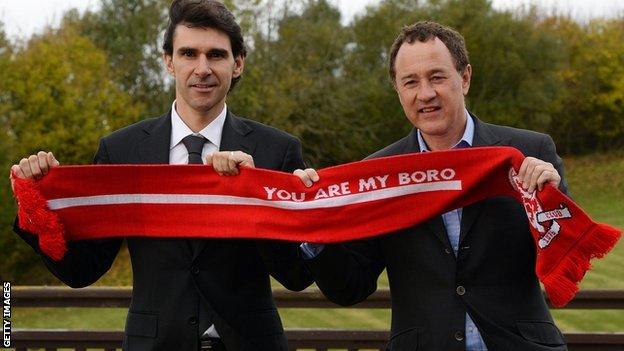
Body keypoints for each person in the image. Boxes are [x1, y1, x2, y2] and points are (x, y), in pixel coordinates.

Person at [11, 1, 312, 350]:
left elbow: (297, 275)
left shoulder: (277, 150)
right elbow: (83, 272)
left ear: (238, 62)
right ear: (169, 61)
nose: (202, 68)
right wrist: (37, 207)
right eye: (188, 54)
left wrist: (255, 193)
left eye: (216, 55)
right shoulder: (120, 151)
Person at [296, 21, 568, 351]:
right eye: (410, 82)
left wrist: (552, 203)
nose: (425, 93)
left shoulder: (530, 152)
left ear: (464, 78)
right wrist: (314, 228)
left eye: (437, 77)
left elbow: (563, 260)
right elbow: (349, 287)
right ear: (398, 89)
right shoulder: (377, 174)